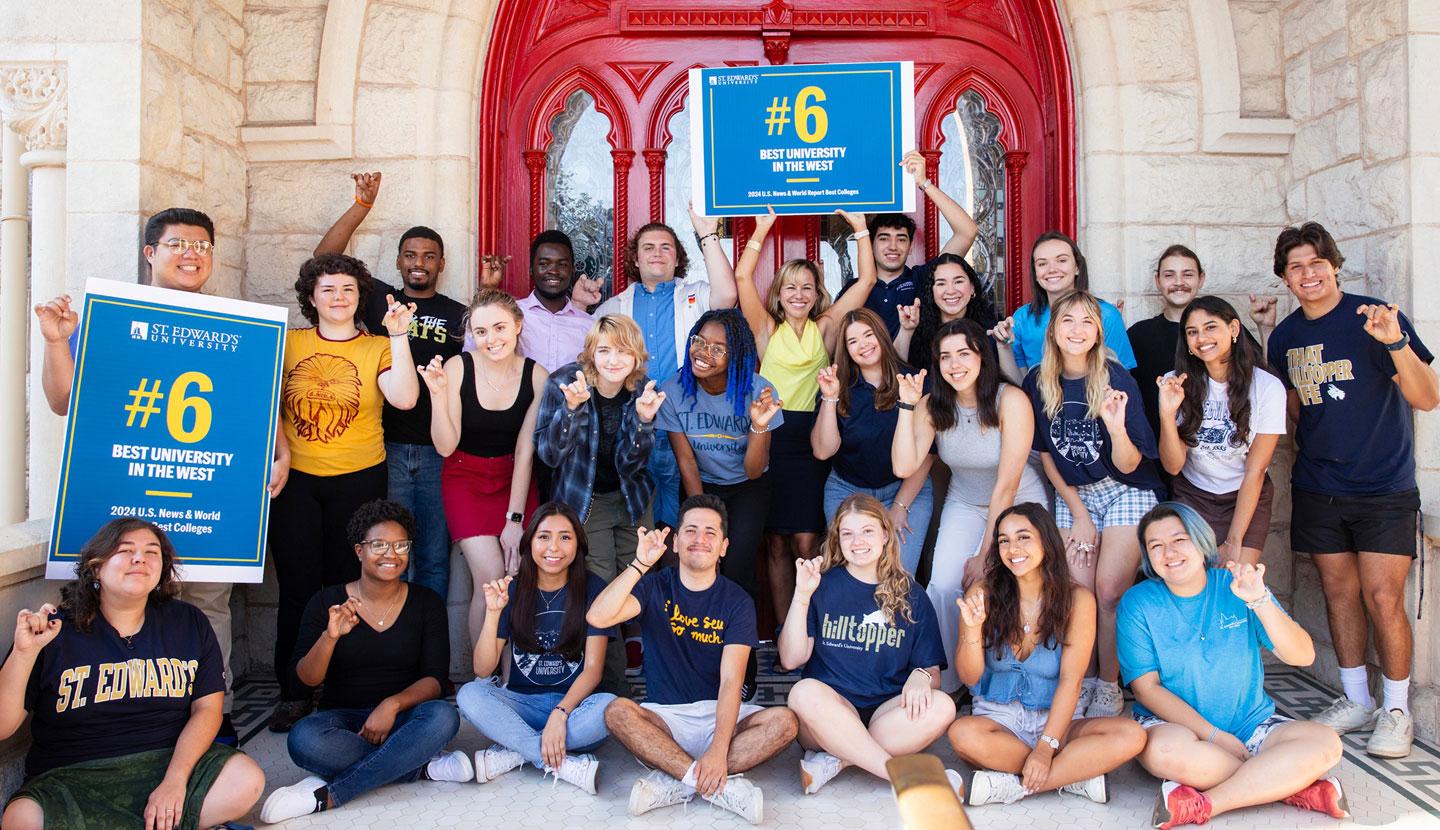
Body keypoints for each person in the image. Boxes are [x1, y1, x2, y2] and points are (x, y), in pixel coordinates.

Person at [33, 207, 290, 744]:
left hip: (207, 498)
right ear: (151, 253)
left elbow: (257, 402)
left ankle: (211, 719)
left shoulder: (236, 325)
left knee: (209, 603)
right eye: (178, 244)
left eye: (201, 245)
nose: (191, 254)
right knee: (118, 605)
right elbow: (61, 400)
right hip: (125, 500)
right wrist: (56, 340)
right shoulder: (110, 317)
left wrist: (281, 449)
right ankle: (129, 724)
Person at [1266, 221, 1438, 758]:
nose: (1308, 273)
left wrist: (1397, 342)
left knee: (1383, 596)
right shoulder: (1286, 336)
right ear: (1285, 278)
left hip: (1383, 484)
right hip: (1319, 484)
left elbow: (1427, 397)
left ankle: (1396, 710)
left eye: (1317, 262)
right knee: (1338, 594)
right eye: (1297, 267)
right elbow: (1292, 411)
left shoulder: (1375, 317)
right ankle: (1357, 698)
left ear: (1334, 265)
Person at [0, 519, 264, 830]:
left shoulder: (188, 622)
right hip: (73, 778)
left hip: (167, 763)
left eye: (152, 552)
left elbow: (207, 709)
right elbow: (4, 727)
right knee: (21, 820)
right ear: (96, 568)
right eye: (126, 551)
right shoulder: (54, 629)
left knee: (247, 779)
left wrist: (175, 782)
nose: (140, 558)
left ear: (162, 570)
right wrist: (23, 654)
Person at [1121, 502, 1348, 828]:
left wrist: (1260, 600)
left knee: (1326, 744)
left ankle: (1208, 805)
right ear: (1149, 558)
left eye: (1179, 540)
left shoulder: (1237, 585)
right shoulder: (1138, 602)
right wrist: (1213, 735)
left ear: (1201, 543)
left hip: (1251, 726)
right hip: (1179, 729)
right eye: (1156, 546)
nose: (1169, 552)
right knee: (1163, 753)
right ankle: (1290, 784)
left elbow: (1304, 656)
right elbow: (1147, 689)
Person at [268, 253, 419, 732]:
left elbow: (405, 398)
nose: (338, 298)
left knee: (346, 587)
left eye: (348, 290)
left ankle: (338, 689)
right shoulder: (289, 343)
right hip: (296, 483)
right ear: (311, 297)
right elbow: (264, 400)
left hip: (359, 479)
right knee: (296, 588)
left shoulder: (377, 346)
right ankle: (293, 692)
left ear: (361, 297)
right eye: (328, 290)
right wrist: (282, 450)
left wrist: (399, 337)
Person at [587, 495, 798, 824]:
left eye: (710, 533)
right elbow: (599, 617)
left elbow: (732, 680)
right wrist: (640, 565)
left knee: (784, 723)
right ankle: (709, 783)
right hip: (667, 719)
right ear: (675, 541)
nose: (700, 539)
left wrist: (718, 747)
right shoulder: (655, 586)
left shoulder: (737, 601)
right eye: (691, 530)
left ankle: (679, 777)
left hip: (721, 716)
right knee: (616, 712)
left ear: (724, 547)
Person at [313, 173, 469, 608]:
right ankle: (391, 638)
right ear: (399, 262)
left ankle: (431, 655)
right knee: (389, 554)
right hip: (389, 451)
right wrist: (361, 206)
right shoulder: (378, 298)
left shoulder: (458, 315)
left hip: (439, 454)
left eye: (430, 256)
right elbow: (325, 258)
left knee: (435, 558)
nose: (419, 262)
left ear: (441, 264)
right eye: (410, 255)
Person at [261, 500, 470, 823]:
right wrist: (330, 637)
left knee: (443, 716)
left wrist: (392, 705)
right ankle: (419, 765)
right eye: (379, 545)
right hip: (344, 723)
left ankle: (331, 794)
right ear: (359, 550)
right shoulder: (327, 602)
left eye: (401, 545)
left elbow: (434, 680)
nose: (391, 554)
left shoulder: (426, 602)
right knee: (303, 738)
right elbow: (303, 681)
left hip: (404, 718)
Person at [1022, 290, 1163, 718]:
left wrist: (1117, 429)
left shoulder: (1116, 378)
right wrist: (1079, 514)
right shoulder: (1037, 381)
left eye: (1087, 321)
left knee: (1108, 591)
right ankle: (1079, 679)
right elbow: (1046, 454)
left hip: (1124, 487)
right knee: (1079, 593)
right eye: (1068, 321)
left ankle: (1108, 683)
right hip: (1075, 493)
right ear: (1053, 331)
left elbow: (1131, 461)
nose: (1077, 330)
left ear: (1099, 331)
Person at [733, 207, 875, 625]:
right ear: (778, 293)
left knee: (807, 540)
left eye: (807, 288)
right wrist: (760, 230)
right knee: (775, 543)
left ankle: (814, 627)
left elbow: (866, 280)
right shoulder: (764, 329)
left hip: (810, 441)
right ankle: (783, 630)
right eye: (790, 287)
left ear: (817, 295)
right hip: (770, 437)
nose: (799, 294)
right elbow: (743, 279)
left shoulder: (827, 327)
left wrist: (862, 230)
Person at [948, 503, 1144, 806]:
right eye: (1004, 540)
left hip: (1059, 722)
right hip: (999, 721)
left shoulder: (1078, 599)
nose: (1013, 548)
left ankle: (1017, 785)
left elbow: (1071, 680)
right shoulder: (982, 592)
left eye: (1023, 537)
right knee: (962, 735)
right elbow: (970, 677)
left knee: (1132, 735)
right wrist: (973, 631)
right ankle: (1075, 775)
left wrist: (1045, 747)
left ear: (1046, 541)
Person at [894, 318, 1047, 691]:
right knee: (945, 585)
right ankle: (948, 680)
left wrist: (985, 552)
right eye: (945, 357)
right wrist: (906, 407)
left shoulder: (1010, 400)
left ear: (982, 356)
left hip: (1019, 504)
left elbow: (1006, 487)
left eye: (964, 353)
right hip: (964, 501)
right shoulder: (934, 405)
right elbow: (903, 465)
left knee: (1008, 582)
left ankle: (1011, 674)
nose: (955, 364)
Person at [778, 495, 954, 794]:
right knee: (803, 692)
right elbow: (791, 659)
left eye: (867, 531)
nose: (857, 541)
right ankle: (901, 776)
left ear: (885, 534)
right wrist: (802, 594)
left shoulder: (912, 594)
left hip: (885, 715)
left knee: (944, 706)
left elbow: (932, 672)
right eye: (847, 533)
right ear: (838, 539)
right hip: (827, 713)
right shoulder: (822, 585)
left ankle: (839, 759)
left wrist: (922, 675)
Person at [535, 314, 666, 693]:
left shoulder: (641, 389)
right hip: (584, 500)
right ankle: (610, 691)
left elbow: (631, 463)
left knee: (644, 584)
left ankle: (663, 682)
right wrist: (571, 411)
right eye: (604, 350)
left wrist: (642, 420)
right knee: (601, 589)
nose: (613, 360)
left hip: (631, 499)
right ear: (591, 352)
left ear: (636, 355)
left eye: (623, 351)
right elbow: (549, 454)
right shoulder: (564, 382)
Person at [456, 503, 618, 793]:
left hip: (575, 708)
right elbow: (482, 669)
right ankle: (557, 762)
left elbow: (593, 671)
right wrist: (493, 613)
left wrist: (560, 713)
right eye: (543, 536)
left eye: (565, 537)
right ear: (529, 542)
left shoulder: (594, 588)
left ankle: (516, 750)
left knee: (609, 708)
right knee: (469, 694)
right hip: (522, 705)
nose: (553, 547)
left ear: (578, 544)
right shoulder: (514, 589)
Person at [596, 208, 739, 530]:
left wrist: (707, 234)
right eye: (648, 247)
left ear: (677, 259)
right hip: (633, 425)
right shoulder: (612, 308)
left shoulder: (694, 295)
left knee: (682, 515)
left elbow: (728, 295)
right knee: (638, 515)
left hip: (686, 423)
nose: (657, 253)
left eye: (666, 247)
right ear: (635, 259)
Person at [417, 288, 546, 646]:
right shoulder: (459, 367)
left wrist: (514, 521)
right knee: (491, 577)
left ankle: (511, 679)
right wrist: (438, 396)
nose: (491, 339)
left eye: (500, 328)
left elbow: (525, 451)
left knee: (517, 578)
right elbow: (445, 446)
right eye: (481, 331)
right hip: (464, 479)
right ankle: (482, 679)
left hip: (514, 481)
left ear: (518, 326)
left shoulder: (538, 377)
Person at [655, 310, 784, 605]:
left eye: (717, 349)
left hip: (747, 488)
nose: (703, 353)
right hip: (702, 485)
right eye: (699, 341)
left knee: (737, 567)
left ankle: (742, 647)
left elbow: (754, 471)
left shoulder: (759, 392)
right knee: (701, 563)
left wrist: (759, 425)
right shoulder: (673, 391)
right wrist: (702, 516)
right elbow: (686, 462)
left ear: (735, 356)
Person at [1156, 296, 1285, 565]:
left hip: (1245, 496)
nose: (1202, 337)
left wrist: (1234, 540)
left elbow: (1256, 469)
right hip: (1194, 493)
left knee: (1234, 582)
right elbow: (1173, 467)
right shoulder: (1177, 383)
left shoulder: (1267, 387)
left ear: (1234, 329)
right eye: (1192, 332)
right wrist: (1167, 414)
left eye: (1210, 327)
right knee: (1193, 582)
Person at [811, 308, 935, 574]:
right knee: (851, 575)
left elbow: (927, 456)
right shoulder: (838, 386)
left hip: (905, 491)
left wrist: (900, 506)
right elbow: (823, 451)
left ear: (881, 336)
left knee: (898, 575)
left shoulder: (914, 382)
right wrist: (830, 398)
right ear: (846, 350)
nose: (863, 345)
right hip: (847, 490)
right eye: (852, 341)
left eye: (868, 335)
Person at [1126, 245, 1272, 442]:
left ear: (1201, 279)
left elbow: (1265, 380)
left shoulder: (1224, 332)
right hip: (1156, 455)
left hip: (1215, 454)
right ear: (1157, 281)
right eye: (1169, 275)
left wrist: (1265, 328)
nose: (1179, 282)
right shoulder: (1139, 334)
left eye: (1187, 274)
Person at [840, 150, 978, 336]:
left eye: (901, 239)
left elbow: (967, 232)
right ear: (870, 244)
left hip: (920, 366)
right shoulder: (856, 288)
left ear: (911, 246)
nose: (893, 246)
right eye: (884, 238)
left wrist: (924, 182)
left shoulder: (923, 278)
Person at [1007, 233, 1136, 373]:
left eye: (1062, 260)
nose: (1052, 269)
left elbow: (1121, 378)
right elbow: (1021, 382)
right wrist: (1002, 344)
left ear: (1077, 267)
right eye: (1042, 263)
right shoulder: (1022, 318)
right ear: (1035, 274)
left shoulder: (1106, 314)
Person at [895, 252, 1020, 383]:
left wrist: (1003, 346)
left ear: (972, 287)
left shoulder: (991, 329)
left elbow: (1014, 385)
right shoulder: (919, 327)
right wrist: (906, 331)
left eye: (958, 281)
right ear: (931, 291)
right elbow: (895, 377)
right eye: (941, 283)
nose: (950, 290)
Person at [512, 229, 605, 372]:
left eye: (562, 265)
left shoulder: (589, 326)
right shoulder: (511, 314)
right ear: (531, 269)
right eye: (544, 264)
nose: (553, 271)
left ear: (573, 270)